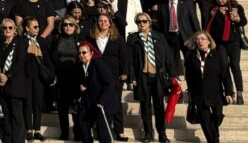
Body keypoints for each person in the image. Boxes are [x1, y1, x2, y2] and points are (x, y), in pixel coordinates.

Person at [127, 14, 176, 143]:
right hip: (142, 76)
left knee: (159, 106)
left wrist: (172, 73)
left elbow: (167, 56)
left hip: (157, 76)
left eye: (144, 21)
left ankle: (162, 133)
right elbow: (130, 60)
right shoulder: (133, 38)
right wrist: (132, 76)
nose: (141, 24)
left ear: (149, 23)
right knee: (145, 107)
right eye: (138, 22)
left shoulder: (159, 36)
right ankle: (148, 133)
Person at [184, 31, 234, 143]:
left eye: (203, 39)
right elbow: (189, 76)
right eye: (198, 39)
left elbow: (225, 75)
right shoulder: (191, 56)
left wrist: (229, 93)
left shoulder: (218, 55)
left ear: (209, 41)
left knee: (217, 116)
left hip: (216, 93)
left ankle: (214, 133)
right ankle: (214, 141)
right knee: (205, 122)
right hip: (199, 95)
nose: (200, 41)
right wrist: (191, 93)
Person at [204, 0, 247, 104]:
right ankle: (229, 91)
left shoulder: (236, 6)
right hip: (219, 43)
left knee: (235, 66)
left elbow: (244, 21)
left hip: (234, 42)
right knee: (224, 66)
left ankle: (239, 93)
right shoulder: (213, 9)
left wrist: (238, 19)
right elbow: (208, 26)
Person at [78, 40, 119, 143]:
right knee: (82, 123)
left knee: (103, 132)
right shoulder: (82, 66)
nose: (81, 55)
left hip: (104, 103)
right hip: (90, 102)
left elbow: (109, 84)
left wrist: (103, 101)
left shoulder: (99, 64)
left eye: (84, 52)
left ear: (91, 53)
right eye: (79, 53)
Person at [50, 17, 83, 141]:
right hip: (61, 77)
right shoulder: (57, 39)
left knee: (76, 108)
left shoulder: (79, 40)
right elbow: (53, 58)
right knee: (62, 108)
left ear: (75, 27)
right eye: (65, 25)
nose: (68, 27)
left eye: (71, 24)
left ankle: (77, 131)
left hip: (76, 76)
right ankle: (64, 132)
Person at [0, 18, 27, 143]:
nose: (7, 30)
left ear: (15, 30)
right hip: (2, 86)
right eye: (5, 28)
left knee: (16, 116)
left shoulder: (21, 42)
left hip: (15, 85)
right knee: (7, 117)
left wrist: (7, 75)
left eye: (10, 28)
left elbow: (20, 62)